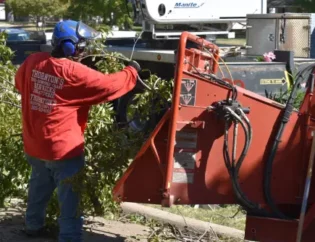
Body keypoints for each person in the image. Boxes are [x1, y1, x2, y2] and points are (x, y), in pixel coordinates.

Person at [14, 20, 141, 242]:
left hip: (34, 145)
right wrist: (131, 71)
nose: (84, 50)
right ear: (70, 46)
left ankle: (33, 227)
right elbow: (109, 85)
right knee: (70, 199)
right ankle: (69, 237)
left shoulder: (32, 61)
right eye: (82, 46)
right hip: (63, 151)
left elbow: (19, 84)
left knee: (38, 188)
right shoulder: (74, 71)